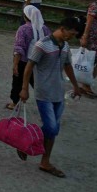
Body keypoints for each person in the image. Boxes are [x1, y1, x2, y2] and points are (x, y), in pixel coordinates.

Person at [19, 16, 83, 178]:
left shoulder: (65, 46)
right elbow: (28, 67)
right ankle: (27, 143)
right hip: (44, 93)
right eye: (71, 33)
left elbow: (67, 66)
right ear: (62, 29)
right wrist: (24, 88)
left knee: (53, 131)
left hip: (58, 93)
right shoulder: (42, 45)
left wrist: (76, 86)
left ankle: (45, 161)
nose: (72, 37)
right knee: (52, 128)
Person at [8, 4, 51, 109]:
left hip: (24, 62)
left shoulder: (23, 29)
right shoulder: (45, 29)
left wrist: (15, 64)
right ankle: (47, 103)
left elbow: (19, 49)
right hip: (39, 62)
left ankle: (15, 103)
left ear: (25, 16)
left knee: (18, 82)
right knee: (38, 84)